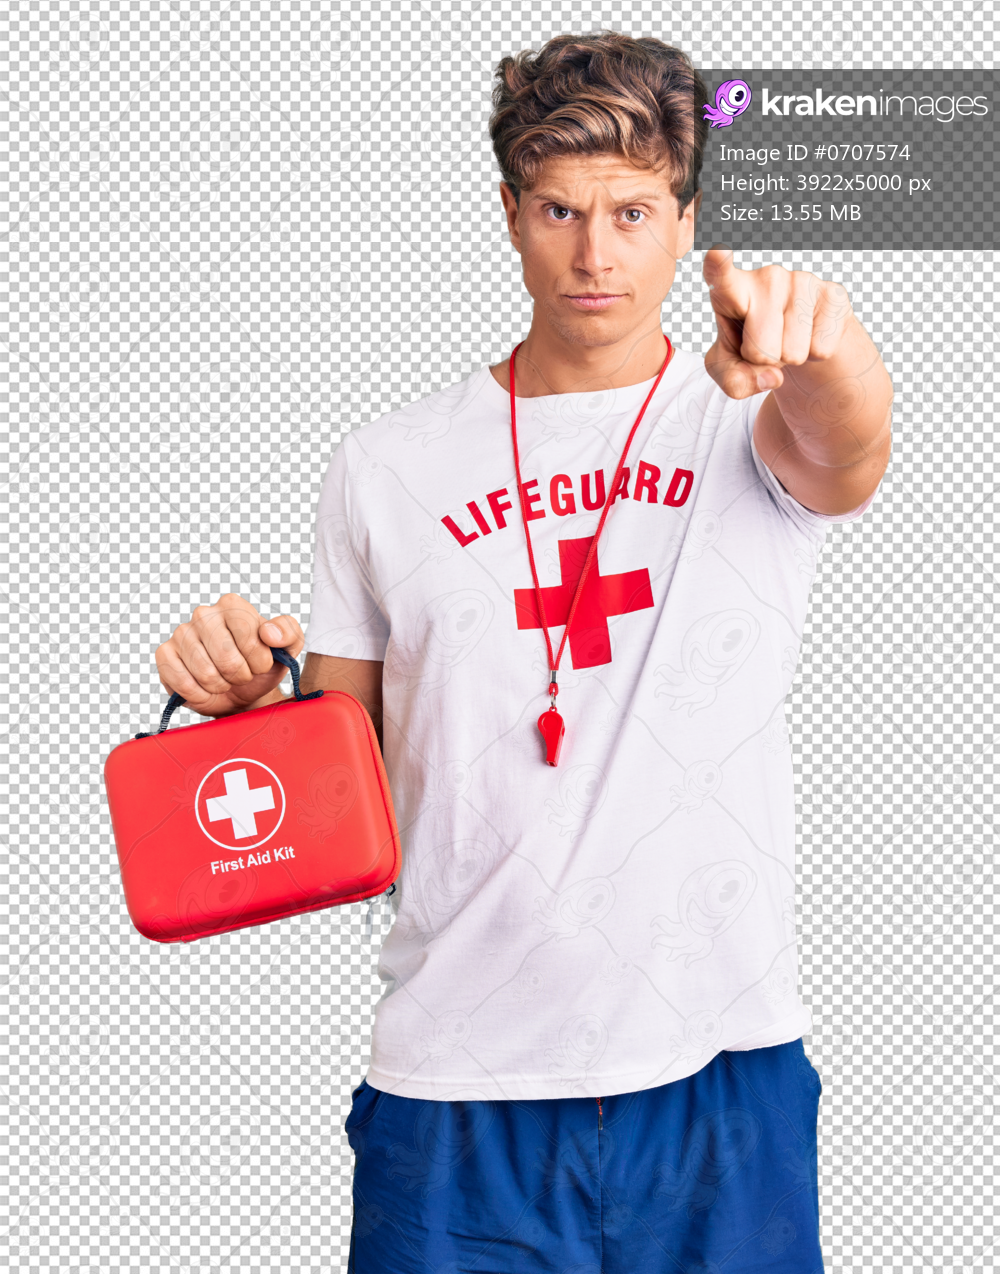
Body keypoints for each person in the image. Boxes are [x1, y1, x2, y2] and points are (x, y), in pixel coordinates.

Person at [154, 31, 892, 1274]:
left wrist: (829, 352)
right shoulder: (385, 465)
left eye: (632, 210)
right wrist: (245, 711)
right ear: (507, 212)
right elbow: (351, 792)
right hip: (456, 1079)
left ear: (684, 214)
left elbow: (847, 445)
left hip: (715, 1070)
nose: (595, 253)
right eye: (558, 208)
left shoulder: (750, 414)